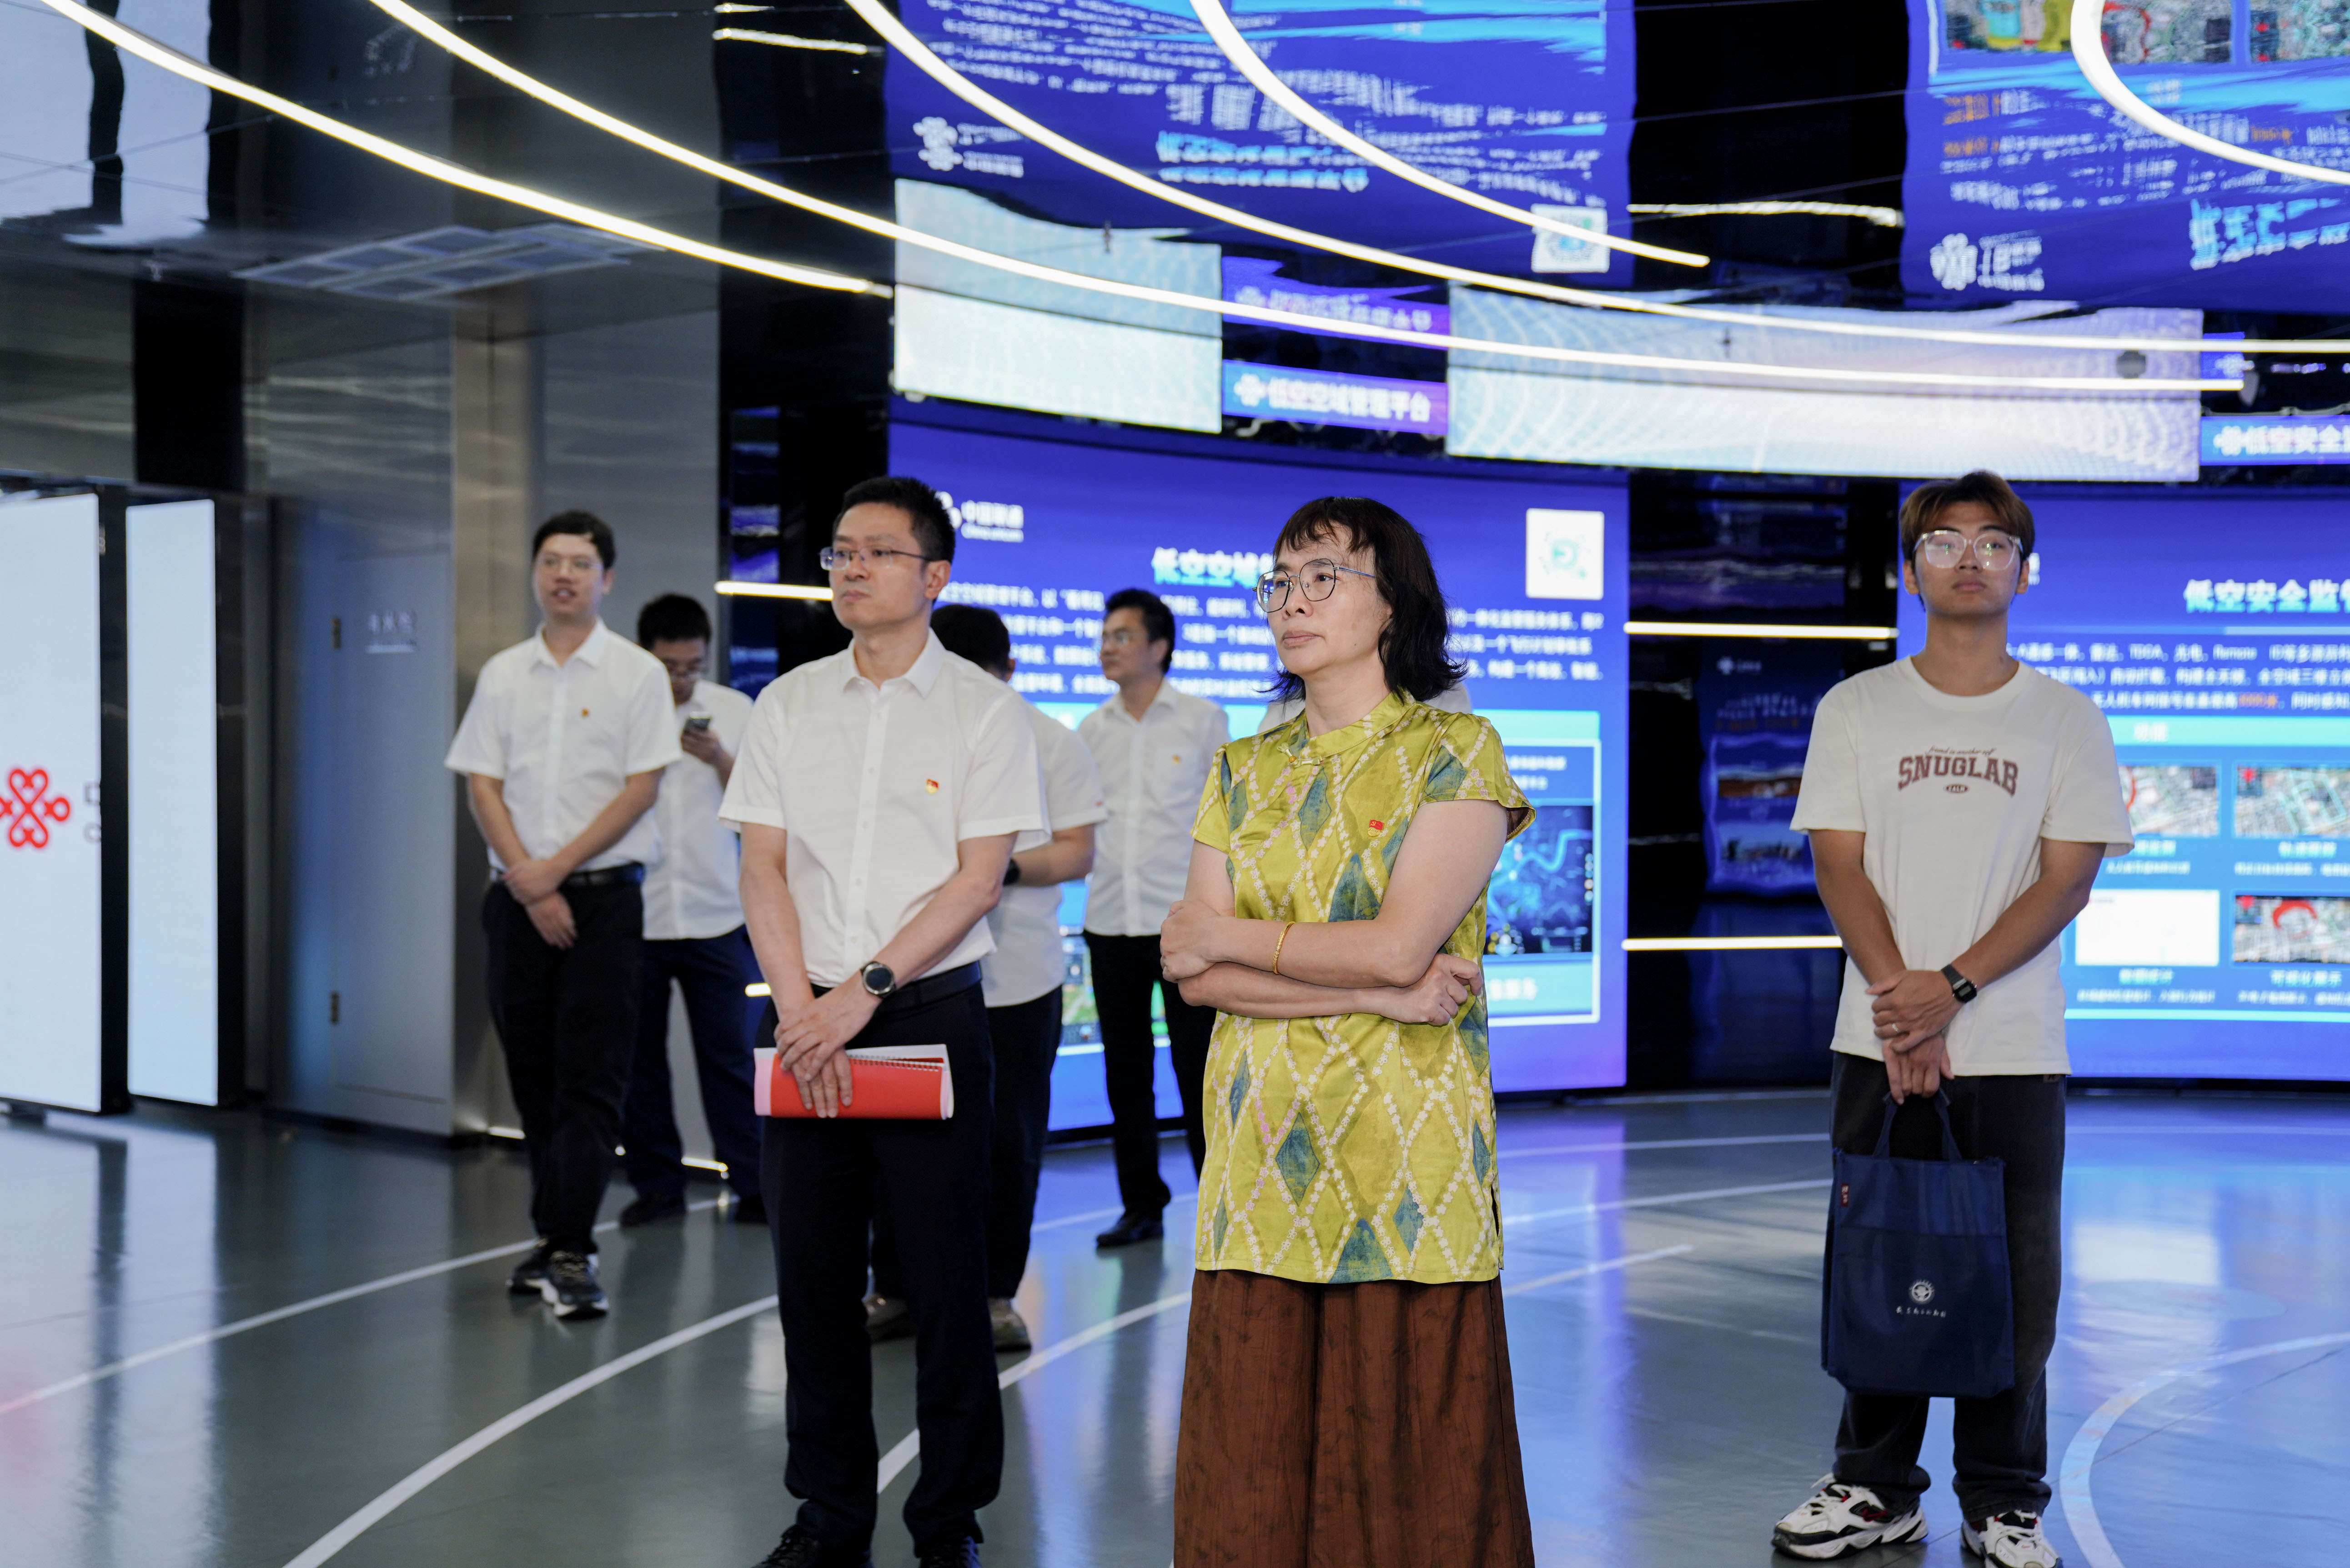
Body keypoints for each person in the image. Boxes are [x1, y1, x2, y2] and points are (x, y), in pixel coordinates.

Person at [1158, 497, 1536, 1568]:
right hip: (1258, 1155)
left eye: (1323, 576)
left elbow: (1398, 941)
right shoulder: (1240, 768)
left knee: (1412, 1466)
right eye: (1279, 580)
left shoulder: (1456, 750)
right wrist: (1375, 991)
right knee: (1253, 1465)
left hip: (1402, 1166)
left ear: (1393, 603)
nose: (1292, 600)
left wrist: (1241, 940)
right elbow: (1195, 976)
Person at [1772, 471, 2129, 1568]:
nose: (1968, 558)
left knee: (2012, 1275)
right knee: (1880, 1253)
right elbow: (1839, 865)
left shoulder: (2065, 717)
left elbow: (2065, 880)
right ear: (1909, 568)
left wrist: (1952, 991)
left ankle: (2002, 1497)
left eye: (1991, 541)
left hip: (2012, 1046)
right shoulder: (1857, 707)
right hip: (1876, 1037)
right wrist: (1904, 1009)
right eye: (1942, 540)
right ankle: (1874, 1484)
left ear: (2023, 568)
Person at [722, 476, 1044, 1568]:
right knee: (812, 1287)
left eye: (877, 551)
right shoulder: (788, 703)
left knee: (947, 1287)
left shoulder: (984, 711)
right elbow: (761, 866)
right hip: (804, 1020)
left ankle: (947, 1521)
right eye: (839, 552)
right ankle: (828, 1518)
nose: (851, 568)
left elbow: (977, 878)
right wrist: (800, 1009)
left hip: (927, 1017)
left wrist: (860, 990)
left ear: (934, 575)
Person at [444, 511, 680, 1320]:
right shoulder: (505, 673)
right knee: (533, 1076)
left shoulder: (637, 674)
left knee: (592, 1076)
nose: (564, 576)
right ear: (535, 574)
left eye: (581, 563)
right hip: (517, 903)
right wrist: (531, 881)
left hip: (604, 903)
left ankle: (572, 1248)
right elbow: (482, 784)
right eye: (551, 561)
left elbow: (642, 789)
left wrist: (556, 872)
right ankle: (555, 1239)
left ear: (606, 579)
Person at [866, 603, 1107, 1353]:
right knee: (901, 1138)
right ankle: (895, 1288)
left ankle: (997, 1294)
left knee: (1009, 1142)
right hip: (912, 976)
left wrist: (995, 870)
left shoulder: (1050, 741)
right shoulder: (901, 733)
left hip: (1017, 979)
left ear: (1009, 672)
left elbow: (1078, 851)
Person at [1077, 586, 1228, 1248]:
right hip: (1110, 919)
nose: (1107, 647)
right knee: (1125, 1074)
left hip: (1184, 924)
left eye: (1122, 636)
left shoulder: (1202, 720)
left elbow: (1229, 824)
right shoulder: (1091, 730)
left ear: (1159, 647)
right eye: (1105, 636)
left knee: (1199, 1069)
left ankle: (1217, 1204)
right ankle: (1141, 1205)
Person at [617, 593, 764, 1227]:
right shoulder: (622, 708)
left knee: (728, 1055)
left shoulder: (734, 709)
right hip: (636, 913)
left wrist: (719, 757)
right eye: (669, 667)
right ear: (644, 656)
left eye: (692, 666)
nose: (681, 679)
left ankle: (754, 1183)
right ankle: (657, 1185)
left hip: (715, 914)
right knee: (637, 1060)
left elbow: (761, 804)